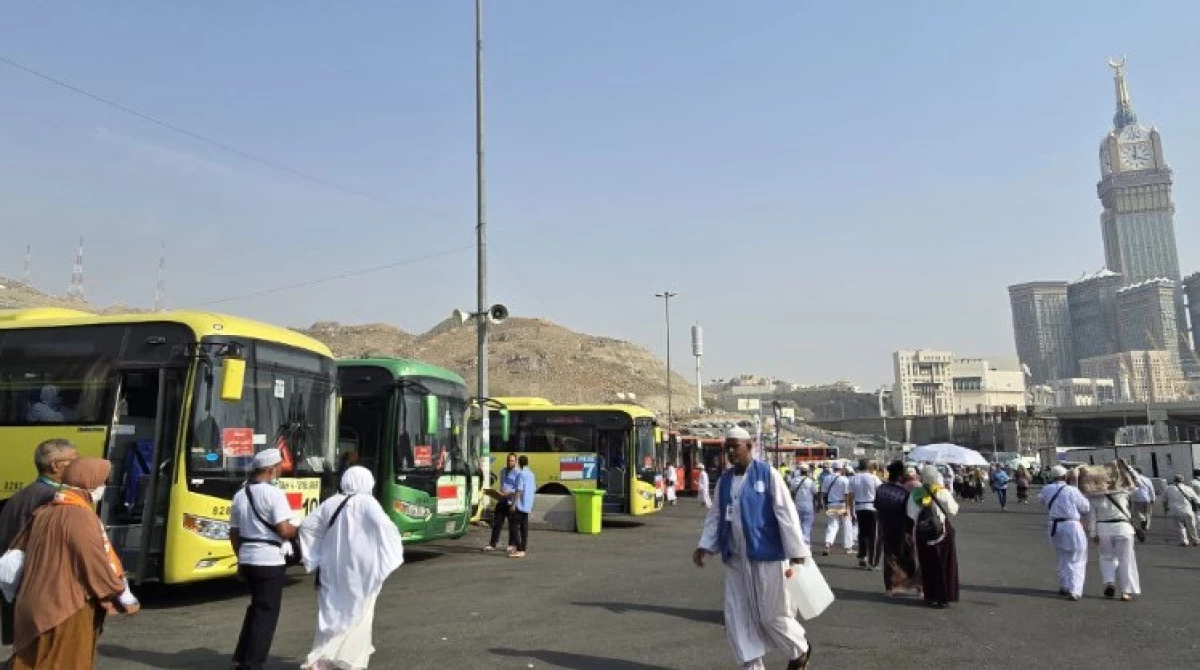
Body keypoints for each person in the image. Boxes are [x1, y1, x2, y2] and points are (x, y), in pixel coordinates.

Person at [694, 427, 813, 670]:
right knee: (737, 618)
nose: (730, 451)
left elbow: (786, 513)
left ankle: (799, 649)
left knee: (772, 615)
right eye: (727, 447)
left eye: (735, 446)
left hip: (767, 556)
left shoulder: (767, 474)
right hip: (736, 560)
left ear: (750, 446)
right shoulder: (725, 480)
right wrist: (705, 546)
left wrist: (797, 553)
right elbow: (716, 515)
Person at [7, 457, 140, 669]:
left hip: (34, 601)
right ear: (90, 481)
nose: (104, 487)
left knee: (34, 659)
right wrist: (120, 594)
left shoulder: (47, 510)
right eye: (103, 481)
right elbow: (95, 563)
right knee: (65, 660)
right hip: (66, 605)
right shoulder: (79, 516)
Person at [299, 466, 404, 669]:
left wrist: (316, 555)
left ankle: (320, 659)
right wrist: (387, 553)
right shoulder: (367, 502)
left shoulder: (331, 502)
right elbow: (385, 526)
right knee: (359, 613)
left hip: (331, 567)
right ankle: (349, 662)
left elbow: (307, 526)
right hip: (360, 570)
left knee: (331, 612)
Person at [0, 438, 78, 645]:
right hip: (41, 588)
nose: (77, 466)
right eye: (73, 461)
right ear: (55, 465)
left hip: (19, 585)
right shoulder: (55, 497)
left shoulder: (21, 495)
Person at [230, 448, 302, 670]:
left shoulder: (240, 494)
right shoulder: (274, 494)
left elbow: (233, 533)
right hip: (269, 561)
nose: (280, 470)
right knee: (266, 614)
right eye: (279, 467)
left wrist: (241, 557)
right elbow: (283, 529)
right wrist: (300, 528)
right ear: (271, 470)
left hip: (248, 559)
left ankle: (242, 657)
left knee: (255, 608)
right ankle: (253, 664)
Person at [1082, 466, 1140, 602]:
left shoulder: (1094, 497)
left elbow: (1092, 518)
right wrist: (1127, 467)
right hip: (1123, 527)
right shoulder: (1122, 493)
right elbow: (1138, 483)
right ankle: (1126, 592)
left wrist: (1093, 534)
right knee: (1126, 560)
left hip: (1103, 528)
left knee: (1106, 557)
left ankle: (1110, 583)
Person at [907, 465, 959, 608]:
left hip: (922, 533)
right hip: (941, 531)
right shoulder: (942, 492)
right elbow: (953, 510)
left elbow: (911, 514)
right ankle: (944, 596)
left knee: (927, 564)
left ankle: (930, 595)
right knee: (944, 564)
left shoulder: (915, 493)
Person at [1039, 465, 1091, 601]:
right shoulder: (1072, 490)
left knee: (1062, 556)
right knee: (1077, 558)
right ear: (1065, 476)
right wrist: (1076, 485)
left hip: (1054, 525)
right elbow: (1085, 507)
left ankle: (1064, 584)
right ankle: (1075, 590)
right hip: (1071, 524)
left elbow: (1041, 500)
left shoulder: (1047, 489)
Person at [876, 460, 921, 597]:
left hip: (886, 527)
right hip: (903, 529)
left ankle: (889, 588)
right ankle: (918, 587)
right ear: (901, 476)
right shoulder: (904, 492)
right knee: (910, 557)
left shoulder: (880, 489)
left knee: (890, 558)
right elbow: (910, 513)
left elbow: (877, 507)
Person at [483, 453, 520, 552]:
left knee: (512, 524)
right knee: (497, 523)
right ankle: (492, 544)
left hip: (511, 501)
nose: (509, 462)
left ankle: (512, 544)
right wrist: (497, 493)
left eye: (512, 461)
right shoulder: (502, 471)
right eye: (508, 460)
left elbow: (519, 489)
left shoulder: (518, 473)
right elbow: (503, 485)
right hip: (502, 500)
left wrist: (509, 493)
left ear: (515, 462)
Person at [850, 459, 882, 570]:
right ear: (869, 467)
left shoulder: (853, 478)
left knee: (862, 534)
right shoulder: (873, 478)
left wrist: (851, 511)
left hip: (859, 507)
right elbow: (880, 493)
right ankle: (872, 562)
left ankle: (862, 557)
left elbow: (850, 496)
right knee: (873, 535)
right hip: (872, 507)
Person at [822, 463, 854, 557]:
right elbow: (846, 495)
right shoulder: (844, 479)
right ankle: (848, 547)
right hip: (842, 504)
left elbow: (823, 493)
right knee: (847, 524)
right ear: (841, 469)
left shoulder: (826, 478)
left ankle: (827, 544)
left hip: (831, 503)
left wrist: (824, 505)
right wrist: (847, 508)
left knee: (832, 525)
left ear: (833, 468)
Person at [1163, 474, 1200, 547]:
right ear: (1182, 480)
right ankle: (1195, 540)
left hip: (1175, 510)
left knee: (1180, 526)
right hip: (1187, 510)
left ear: (1174, 480)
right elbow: (1197, 500)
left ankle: (1184, 541)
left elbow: (1164, 500)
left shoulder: (1168, 488)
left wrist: (1166, 508)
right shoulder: (1188, 488)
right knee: (1192, 526)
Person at [510, 455, 535, 558]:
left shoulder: (521, 474)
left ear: (519, 462)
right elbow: (533, 488)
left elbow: (519, 490)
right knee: (524, 528)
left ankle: (519, 549)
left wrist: (513, 504)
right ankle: (523, 549)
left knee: (514, 527)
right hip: (528, 504)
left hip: (520, 504)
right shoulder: (531, 474)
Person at [792, 464, 816, 549]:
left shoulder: (794, 480)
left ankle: (799, 542)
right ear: (807, 472)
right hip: (808, 505)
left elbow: (792, 492)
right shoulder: (810, 481)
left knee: (798, 524)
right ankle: (806, 542)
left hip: (797, 505)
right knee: (807, 524)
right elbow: (815, 492)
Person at [1130, 467, 1156, 532]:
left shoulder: (1133, 479)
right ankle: (1147, 526)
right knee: (1148, 513)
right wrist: (1153, 498)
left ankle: (1142, 519)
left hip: (1137, 498)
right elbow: (1151, 489)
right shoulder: (1147, 479)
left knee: (1137, 512)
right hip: (1147, 498)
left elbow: (1131, 489)